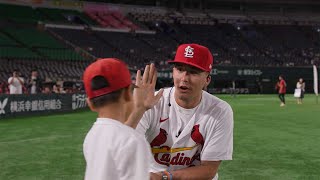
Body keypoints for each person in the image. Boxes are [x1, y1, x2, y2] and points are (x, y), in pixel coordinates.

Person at [130, 44, 234, 180]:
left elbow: (209, 169)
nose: (184, 78)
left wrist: (164, 177)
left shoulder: (220, 110)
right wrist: (138, 109)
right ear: (173, 72)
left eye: (194, 72)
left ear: (207, 80)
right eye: (179, 69)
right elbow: (123, 147)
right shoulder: (152, 103)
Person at [82, 58, 163, 180]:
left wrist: (140, 108)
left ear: (90, 104)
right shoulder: (133, 140)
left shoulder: (91, 136)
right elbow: (123, 139)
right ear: (127, 94)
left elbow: (118, 137)